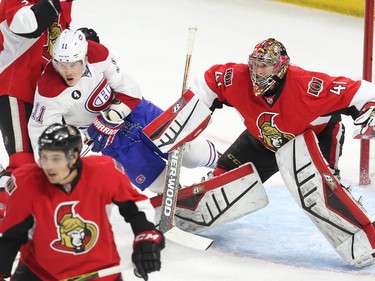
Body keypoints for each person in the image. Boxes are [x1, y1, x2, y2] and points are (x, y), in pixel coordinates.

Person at [144, 38, 375, 267]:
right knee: (221, 181)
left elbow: (362, 92)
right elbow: (208, 83)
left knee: (318, 190)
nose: (257, 71)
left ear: (281, 67)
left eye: (265, 65)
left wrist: (371, 110)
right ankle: (176, 214)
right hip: (262, 138)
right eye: (255, 64)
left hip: (312, 137)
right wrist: (185, 115)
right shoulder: (237, 77)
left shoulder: (309, 86)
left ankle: (366, 239)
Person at [28, 28, 220, 194]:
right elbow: (42, 135)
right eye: (62, 65)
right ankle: (182, 205)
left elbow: (131, 91)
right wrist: (75, 143)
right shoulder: (49, 91)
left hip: (137, 112)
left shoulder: (98, 55)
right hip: (107, 138)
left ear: (84, 58)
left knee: (188, 152)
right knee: (157, 179)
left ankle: (224, 163)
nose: (67, 71)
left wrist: (112, 115)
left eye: (73, 64)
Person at [0, 123, 165, 281]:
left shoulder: (103, 172)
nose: (49, 166)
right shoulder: (27, 183)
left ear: (75, 156)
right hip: (41, 273)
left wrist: (145, 236)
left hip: (100, 271)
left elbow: (135, 207)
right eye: (45, 158)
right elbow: (13, 235)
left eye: (56, 159)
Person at [0, 0, 74, 218]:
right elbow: (28, 24)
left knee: (51, 157)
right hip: (14, 86)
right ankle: (9, 221)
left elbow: (57, 38)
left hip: (46, 93)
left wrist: (80, 42)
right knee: (22, 161)